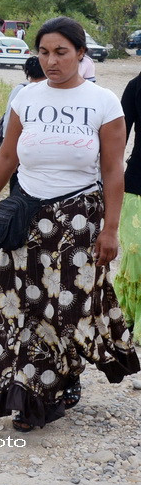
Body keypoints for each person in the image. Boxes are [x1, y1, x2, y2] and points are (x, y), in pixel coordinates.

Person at [0, 16, 140, 432]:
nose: (51, 61)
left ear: (81, 53)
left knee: (70, 306)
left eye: (61, 52)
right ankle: (33, 396)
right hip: (27, 211)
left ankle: (68, 371)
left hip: (79, 217)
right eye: (43, 52)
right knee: (21, 305)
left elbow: (114, 171)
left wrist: (111, 229)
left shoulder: (103, 102)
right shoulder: (26, 97)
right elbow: (7, 156)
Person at [115, 72, 141, 344]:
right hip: (137, 183)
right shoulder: (135, 86)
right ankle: (128, 315)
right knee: (135, 252)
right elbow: (118, 139)